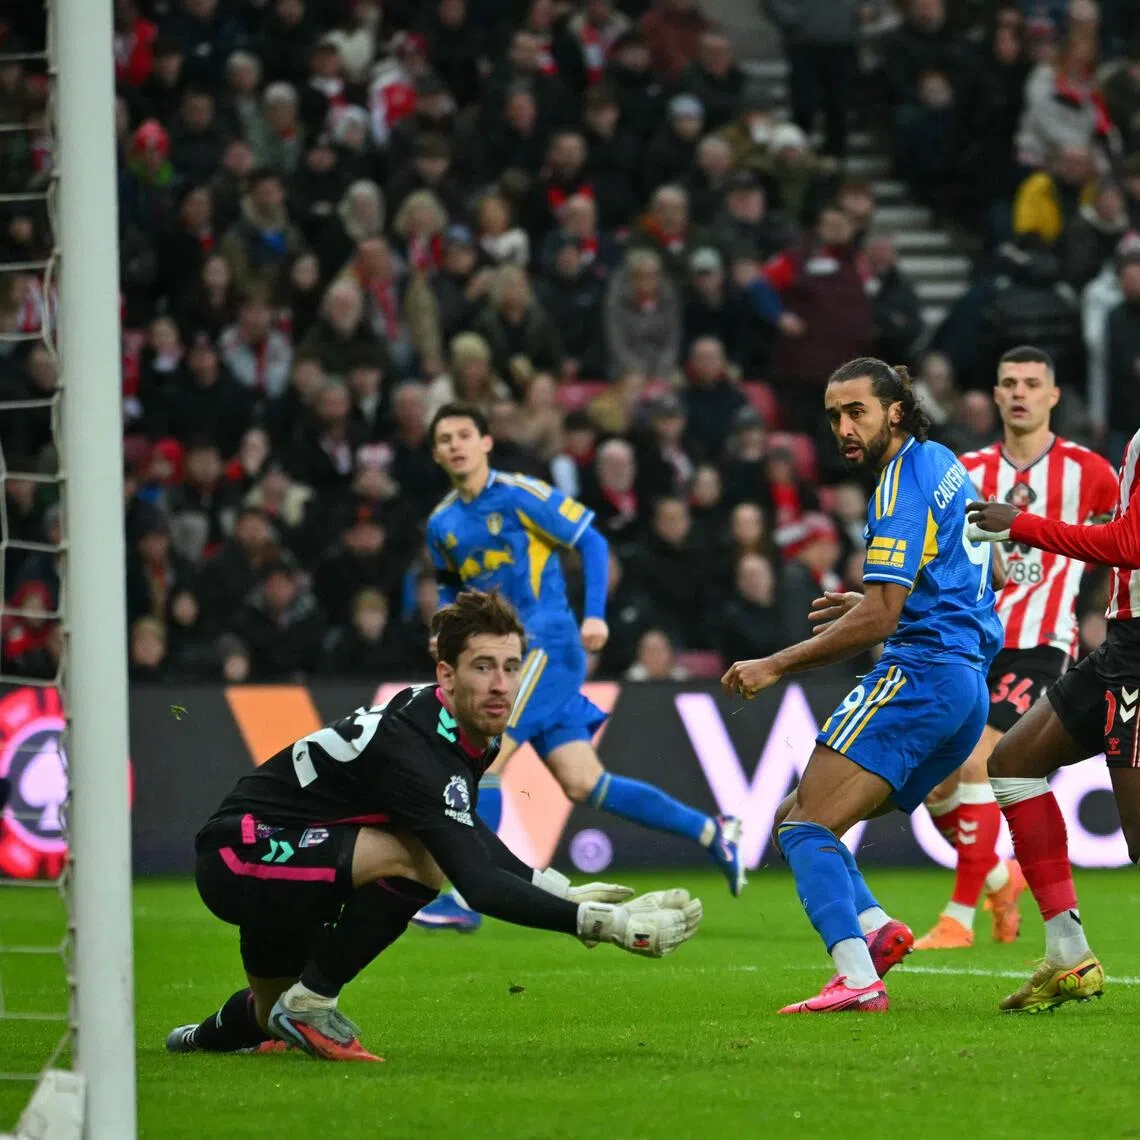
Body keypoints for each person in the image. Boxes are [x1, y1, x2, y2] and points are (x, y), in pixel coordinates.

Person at [167, 590, 702, 1061]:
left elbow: (461, 825)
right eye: (483, 666)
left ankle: (199, 1039)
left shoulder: (462, 728)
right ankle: (314, 1000)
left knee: (268, 1015)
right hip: (240, 855)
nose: (500, 684)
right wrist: (595, 923)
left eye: (511, 667)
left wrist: (558, 887)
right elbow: (474, 880)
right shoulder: (419, 748)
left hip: (292, 858)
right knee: (421, 861)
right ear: (446, 674)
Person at [722, 357, 1004, 1014]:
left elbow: (885, 617)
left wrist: (776, 664)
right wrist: (876, 601)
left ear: (895, 411)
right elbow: (952, 579)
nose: (843, 428)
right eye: (834, 417)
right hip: (963, 685)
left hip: (919, 678)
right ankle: (877, 932)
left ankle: (856, 976)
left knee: (802, 830)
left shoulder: (896, 490)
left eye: (857, 413)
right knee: (802, 817)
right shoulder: (942, 462)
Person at [415, 404, 744, 931]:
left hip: (546, 645)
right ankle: (712, 831)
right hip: (508, 656)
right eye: (444, 438)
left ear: (485, 442)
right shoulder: (443, 522)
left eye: (463, 435)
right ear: (435, 452)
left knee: (490, 760)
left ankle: (465, 894)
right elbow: (450, 583)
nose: (454, 444)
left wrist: (594, 615)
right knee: (584, 783)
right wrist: (443, 627)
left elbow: (590, 539)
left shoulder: (521, 494)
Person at [915, 346, 1118, 951]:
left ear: (1054, 395)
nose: (1021, 392)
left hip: (1038, 644)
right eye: (1009, 383)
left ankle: (958, 918)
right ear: (996, 396)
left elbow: (1120, 541)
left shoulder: (1091, 471)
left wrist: (1103, 614)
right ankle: (1002, 881)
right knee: (931, 784)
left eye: (1033, 383)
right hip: (967, 640)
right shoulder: (965, 468)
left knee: (978, 762)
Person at [964, 427, 1140, 1012]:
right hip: (1122, 646)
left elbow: (1129, 542)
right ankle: (1068, 952)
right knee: (1013, 761)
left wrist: (1018, 525)